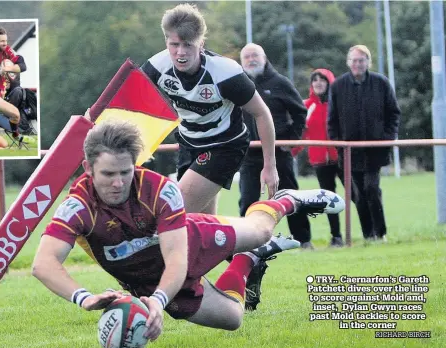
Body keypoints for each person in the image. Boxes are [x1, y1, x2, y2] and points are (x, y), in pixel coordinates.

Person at [32, 120, 345, 340]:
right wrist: (84, 297)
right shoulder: (78, 206)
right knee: (233, 319)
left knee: (261, 231)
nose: (117, 183)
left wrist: (157, 300)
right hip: (146, 281)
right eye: (108, 174)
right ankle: (248, 259)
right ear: (88, 169)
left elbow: (176, 260)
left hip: (188, 241)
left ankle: (284, 201)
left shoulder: (159, 190)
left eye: (125, 172)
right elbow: (43, 263)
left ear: (136, 165)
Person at [140, 4, 278, 216]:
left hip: (225, 145)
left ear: (201, 43)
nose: (180, 52)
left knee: (175, 213)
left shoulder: (225, 73)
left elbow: (262, 113)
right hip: (188, 143)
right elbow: (129, 99)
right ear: (166, 41)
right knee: (202, 223)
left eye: (188, 45)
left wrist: (269, 166)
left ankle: (262, 235)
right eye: (174, 44)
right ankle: (232, 249)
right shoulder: (157, 66)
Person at [237, 43, 313, 249]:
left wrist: (291, 140)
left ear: (264, 58)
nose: (251, 60)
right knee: (247, 199)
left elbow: (300, 112)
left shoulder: (280, 83)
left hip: (279, 152)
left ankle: (303, 240)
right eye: (247, 57)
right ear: (241, 61)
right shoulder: (237, 85)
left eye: (255, 55)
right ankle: (248, 245)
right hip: (249, 154)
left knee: (289, 197)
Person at [328, 45, 400, 242]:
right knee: (358, 194)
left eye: (361, 60)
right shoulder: (338, 86)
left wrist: (387, 138)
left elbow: (393, 113)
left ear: (368, 62)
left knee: (371, 188)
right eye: (354, 60)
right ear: (348, 62)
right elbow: (332, 120)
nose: (358, 64)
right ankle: (368, 234)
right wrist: (338, 143)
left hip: (375, 150)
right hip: (350, 152)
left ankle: (380, 232)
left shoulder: (381, 83)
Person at [292, 69, 344, 247]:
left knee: (356, 195)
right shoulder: (307, 106)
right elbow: (302, 134)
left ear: (330, 82)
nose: (318, 83)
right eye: (315, 80)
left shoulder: (338, 104)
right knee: (329, 201)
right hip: (320, 161)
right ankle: (336, 237)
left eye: (322, 79)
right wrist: (291, 152)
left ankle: (370, 234)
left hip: (342, 157)